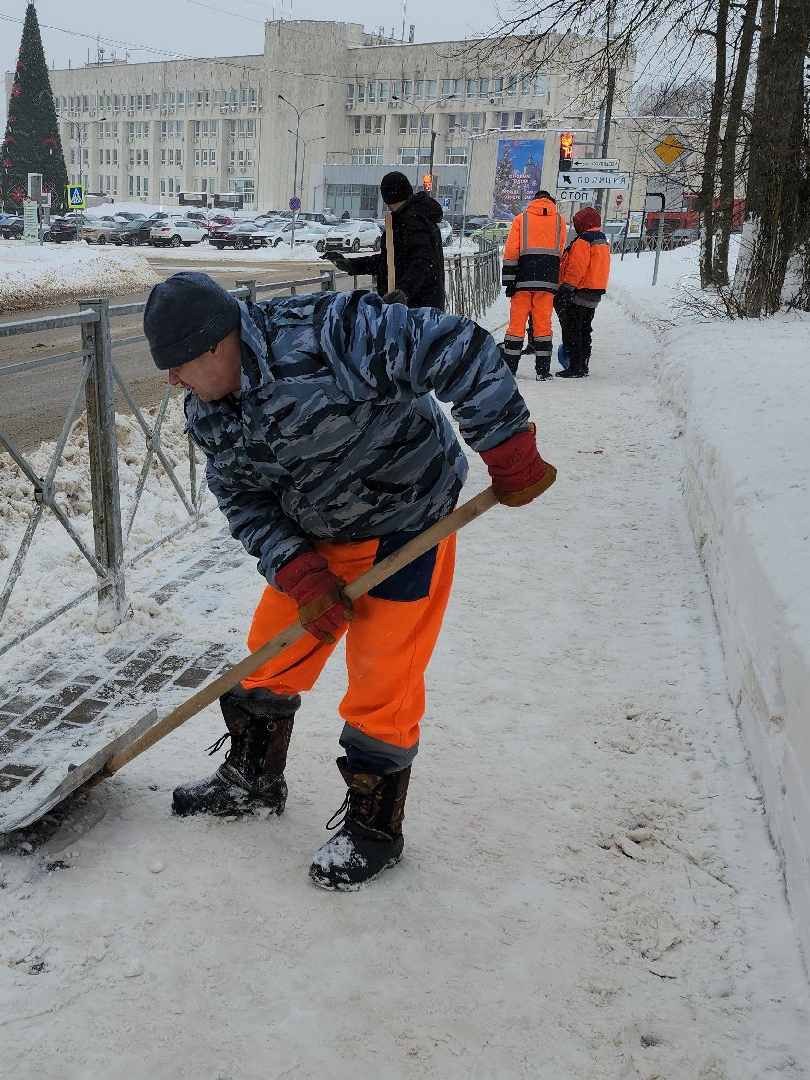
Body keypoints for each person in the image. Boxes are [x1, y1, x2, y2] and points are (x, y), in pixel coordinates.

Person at [142, 271, 556, 890]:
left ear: (214, 345)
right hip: (316, 538)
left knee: (382, 684)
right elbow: (241, 499)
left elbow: (455, 347)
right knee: (266, 656)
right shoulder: (208, 411)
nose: (173, 380)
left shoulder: (325, 335)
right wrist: (296, 568)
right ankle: (254, 778)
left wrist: (508, 445)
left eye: (176, 364)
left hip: (407, 524)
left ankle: (373, 829)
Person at [324, 171, 448, 310]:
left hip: (414, 309)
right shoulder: (415, 216)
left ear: (388, 198)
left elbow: (423, 260)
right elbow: (390, 262)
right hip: (420, 306)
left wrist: (404, 291)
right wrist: (352, 265)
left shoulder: (411, 220)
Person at [500, 187, 565, 379]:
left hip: (522, 279)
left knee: (516, 326)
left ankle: (510, 370)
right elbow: (559, 252)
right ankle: (542, 371)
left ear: (534, 201)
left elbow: (511, 252)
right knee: (543, 326)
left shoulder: (521, 219)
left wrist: (509, 281)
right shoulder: (560, 221)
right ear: (551, 202)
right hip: (547, 281)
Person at [554, 207, 611, 379]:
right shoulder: (602, 240)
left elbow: (577, 268)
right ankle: (584, 364)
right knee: (585, 329)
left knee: (573, 330)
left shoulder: (583, 241)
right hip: (594, 292)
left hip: (579, 292)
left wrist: (566, 287)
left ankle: (575, 366)